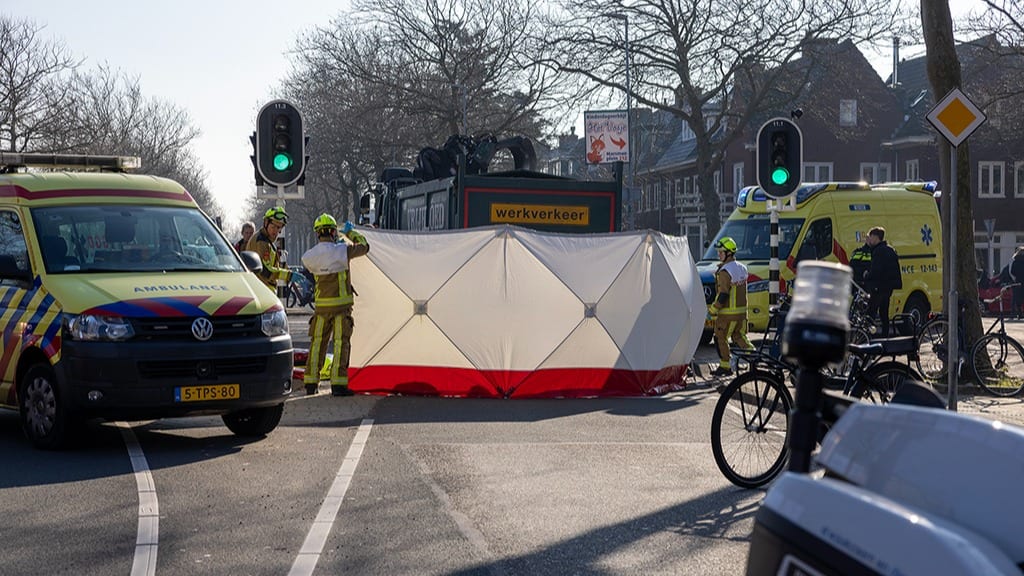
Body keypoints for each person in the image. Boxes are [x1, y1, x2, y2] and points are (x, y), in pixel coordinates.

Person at [301, 213, 370, 396]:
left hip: (321, 310)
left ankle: (310, 384)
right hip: (341, 309)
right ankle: (338, 385)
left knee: (317, 346)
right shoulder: (342, 251)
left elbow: (312, 263)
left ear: (317, 233)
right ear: (333, 231)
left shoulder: (310, 256)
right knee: (340, 344)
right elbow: (364, 246)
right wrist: (350, 233)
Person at [710, 236, 751, 377]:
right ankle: (755, 360)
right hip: (742, 313)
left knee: (719, 337)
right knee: (739, 337)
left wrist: (713, 309)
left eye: (721, 252)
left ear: (729, 253)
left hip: (727, 314)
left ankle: (725, 367)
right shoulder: (742, 268)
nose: (718, 254)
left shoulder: (724, 272)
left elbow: (723, 294)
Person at [247, 207, 300, 293]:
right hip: (262, 290)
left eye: (279, 228)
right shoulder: (261, 242)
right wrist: (289, 275)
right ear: (266, 223)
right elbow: (266, 271)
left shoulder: (267, 242)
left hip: (264, 289)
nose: (276, 231)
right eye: (273, 227)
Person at [862, 227, 902, 337]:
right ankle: (885, 337)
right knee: (884, 313)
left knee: (871, 313)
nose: (869, 240)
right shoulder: (890, 250)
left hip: (878, 287)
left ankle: (867, 336)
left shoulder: (878, 251)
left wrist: (866, 275)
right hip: (888, 287)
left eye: (870, 237)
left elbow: (876, 271)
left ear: (875, 237)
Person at [1011, 246, 1024, 319]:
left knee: (1018, 299)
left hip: (1018, 282)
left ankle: (1020, 313)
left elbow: (1012, 271)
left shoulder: (1015, 261)